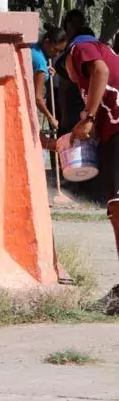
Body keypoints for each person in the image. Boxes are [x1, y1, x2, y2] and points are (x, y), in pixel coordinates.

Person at [62, 34, 119, 258]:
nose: (70, 77)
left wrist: (90, 119)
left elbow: (100, 70)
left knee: (117, 207)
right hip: (112, 134)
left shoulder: (80, 48)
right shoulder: (94, 87)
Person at [33, 25, 68, 136]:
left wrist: (46, 73)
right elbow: (38, 98)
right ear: (47, 42)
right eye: (55, 49)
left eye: (60, 51)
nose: (56, 54)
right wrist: (51, 118)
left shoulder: (33, 48)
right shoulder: (40, 62)